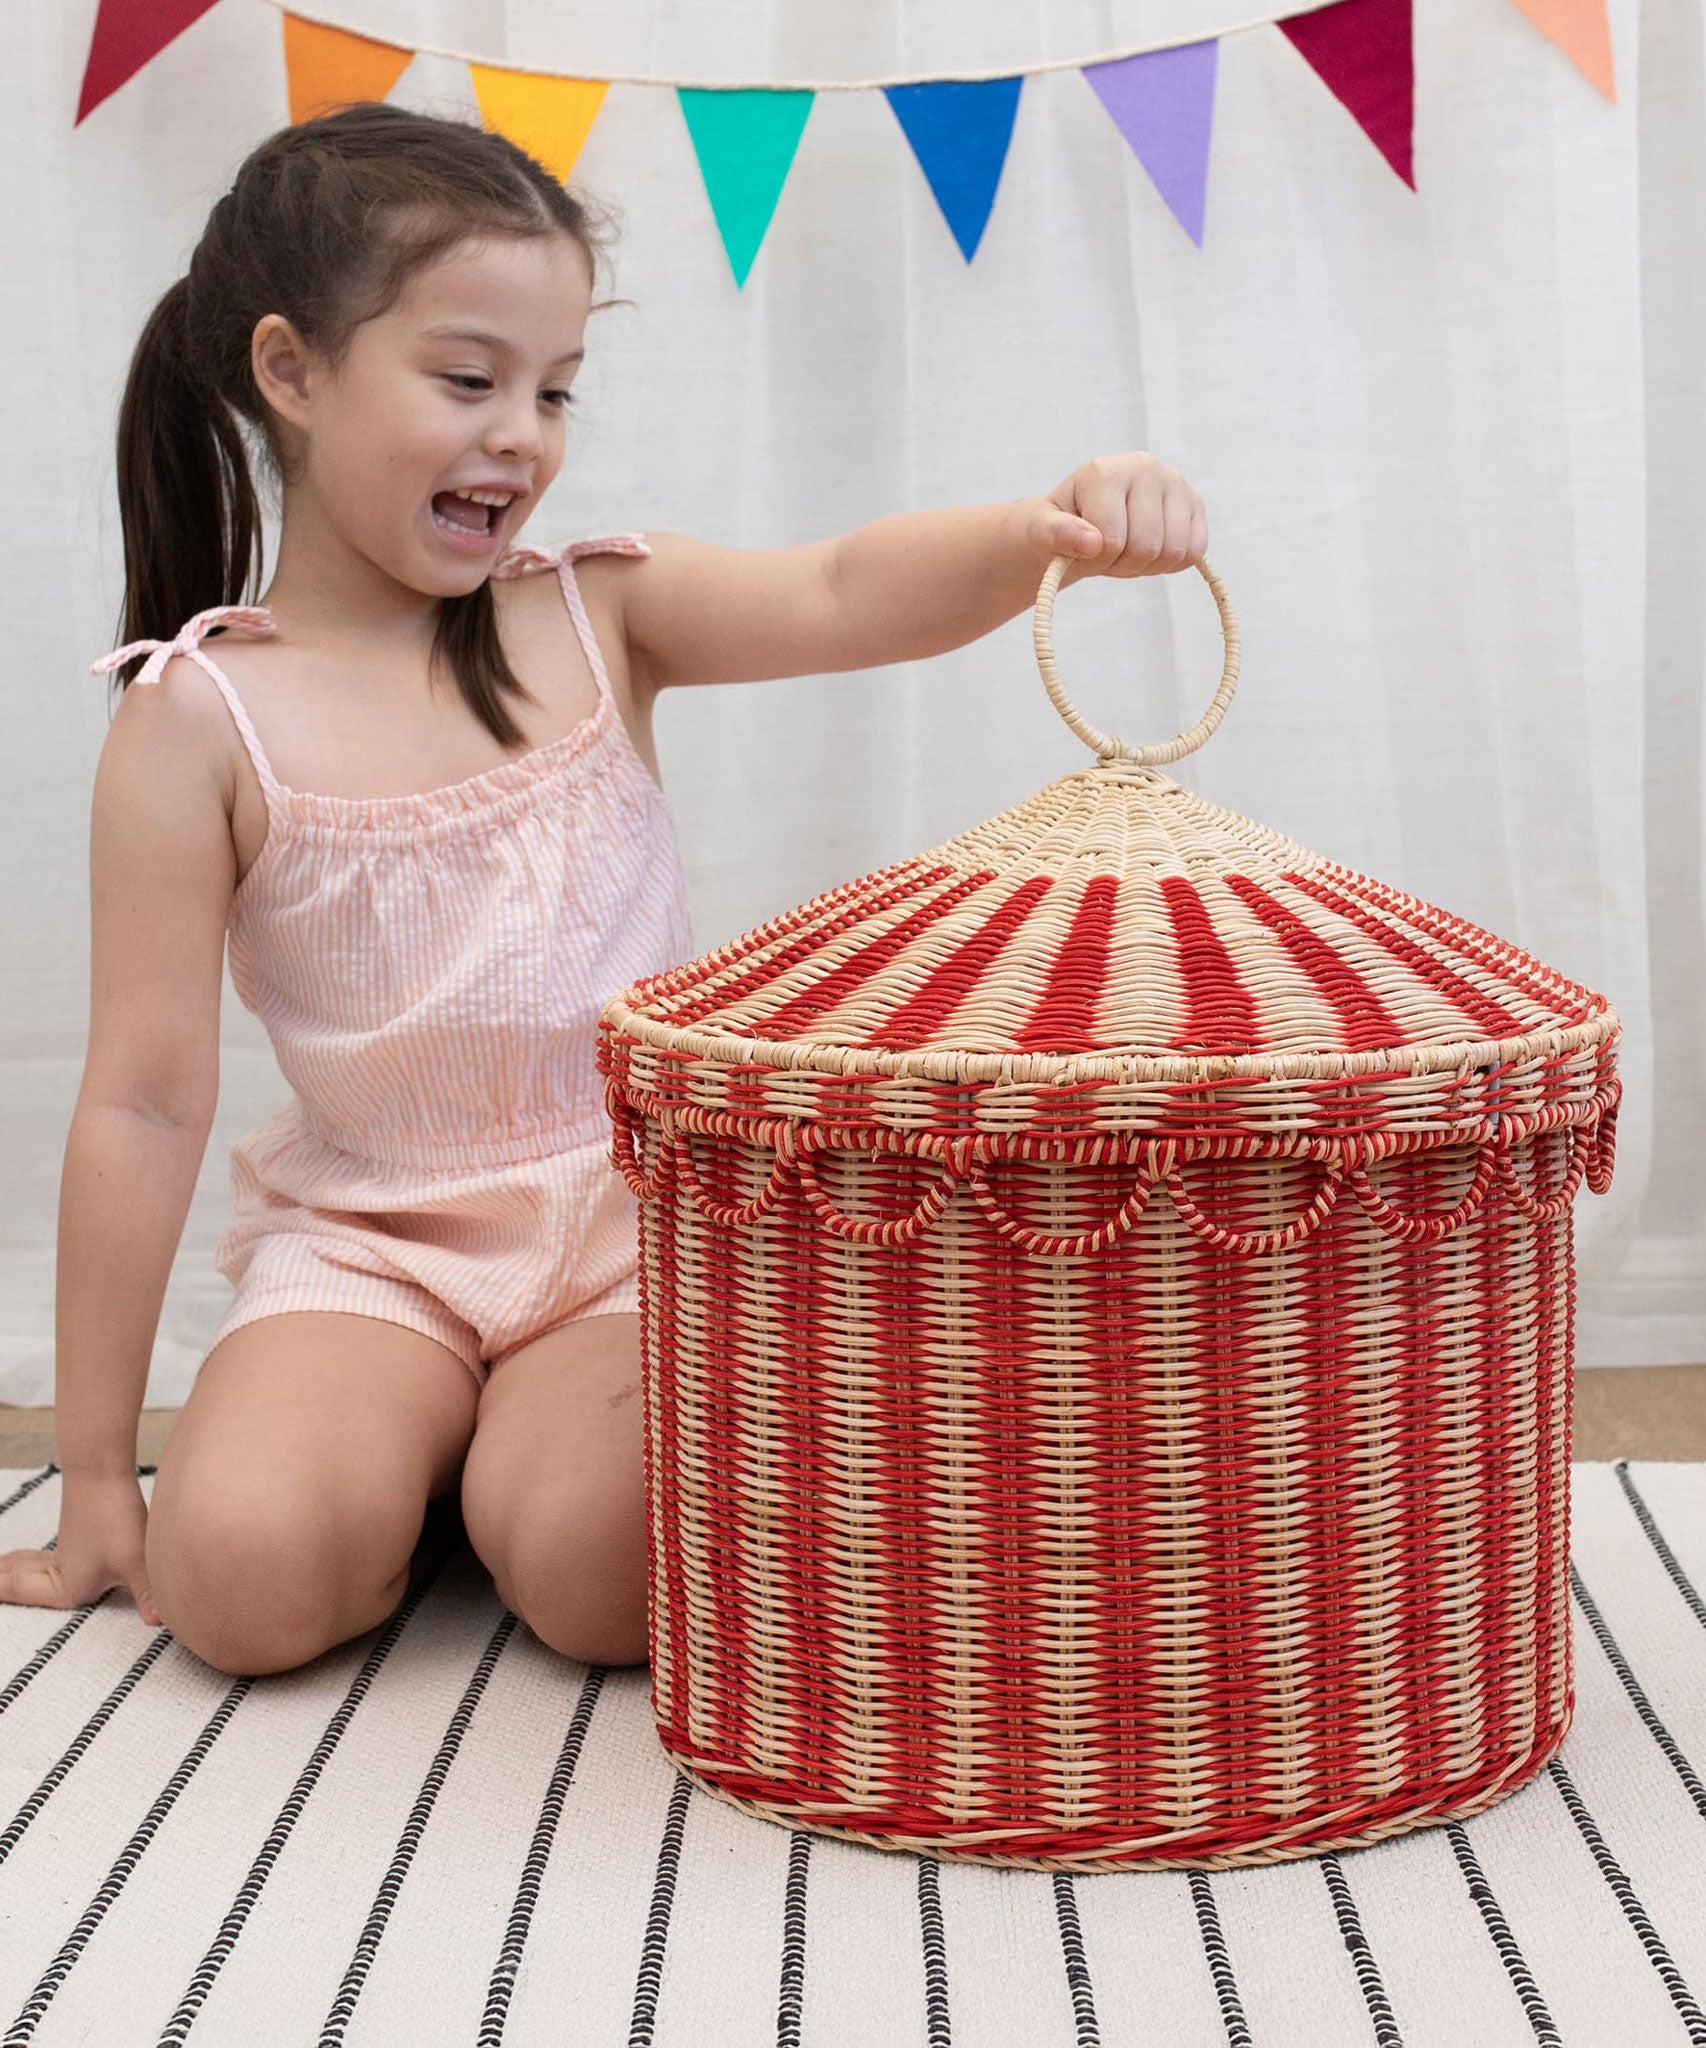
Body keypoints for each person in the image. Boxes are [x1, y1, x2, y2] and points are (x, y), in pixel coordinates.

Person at [0, 103, 1207, 1678]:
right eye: (466, 379)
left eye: (553, 390)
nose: (522, 434)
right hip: (375, 1242)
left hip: (636, 1218)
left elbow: (841, 587)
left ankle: (504, 1471)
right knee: (239, 1589)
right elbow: (144, 1106)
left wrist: (1050, 521)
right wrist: (98, 1476)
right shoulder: (194, 720)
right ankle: (399, 1461)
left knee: (603, 1583)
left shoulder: (594, 613)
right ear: (290, 374)